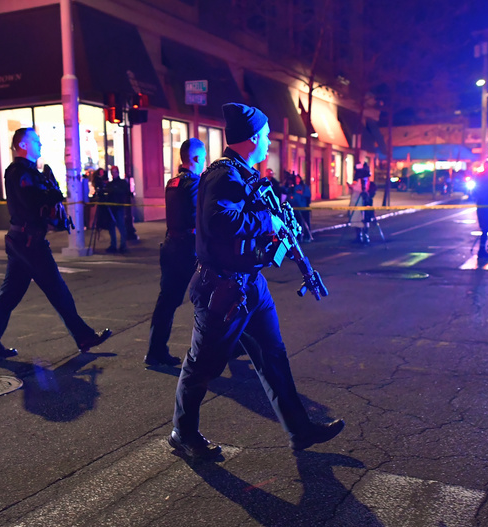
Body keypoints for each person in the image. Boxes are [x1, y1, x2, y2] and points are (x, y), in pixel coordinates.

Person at [170, 103, 344, 460]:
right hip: (221, 289)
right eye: (265, 136)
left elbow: (246, 222)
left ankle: (300, 430)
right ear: (250, 139)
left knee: (273, 356)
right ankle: (183, 433)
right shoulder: (223, 174)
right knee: (202, 366)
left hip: (249, 285)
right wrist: (268, 222)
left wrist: (277, 226)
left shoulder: (243, 173)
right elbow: (218, 219)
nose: (268, 142)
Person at [0, 128, 111, 357]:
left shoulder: (29, 172)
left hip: (23, 240)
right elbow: (35, 201)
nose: (40, 144)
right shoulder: (18, 172)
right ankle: (84, 336)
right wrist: (52, 191)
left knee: (9, 294)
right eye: (36, 141)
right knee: (58, 290)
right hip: (29, 241)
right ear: (23, 145)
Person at [145, 138, 206, 367]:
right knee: (212, 297)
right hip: (188, 249)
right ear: (197, 158)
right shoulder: (195, 184)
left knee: (167, 302)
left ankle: (155, 351)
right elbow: (197, 217)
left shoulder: (172, 182)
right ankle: (219, 351)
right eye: (204, 157)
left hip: (171, 246)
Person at [287, 172, 313, 241]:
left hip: (304, 208)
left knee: (306, 224)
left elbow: (308, 196)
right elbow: (287, 194)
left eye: (297, 178)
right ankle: (299, 237)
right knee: (297, 224)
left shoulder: (304, 187)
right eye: (295, 179)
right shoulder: (292, 187)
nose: (296, 180)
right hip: (295, 209)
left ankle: (307, 237)